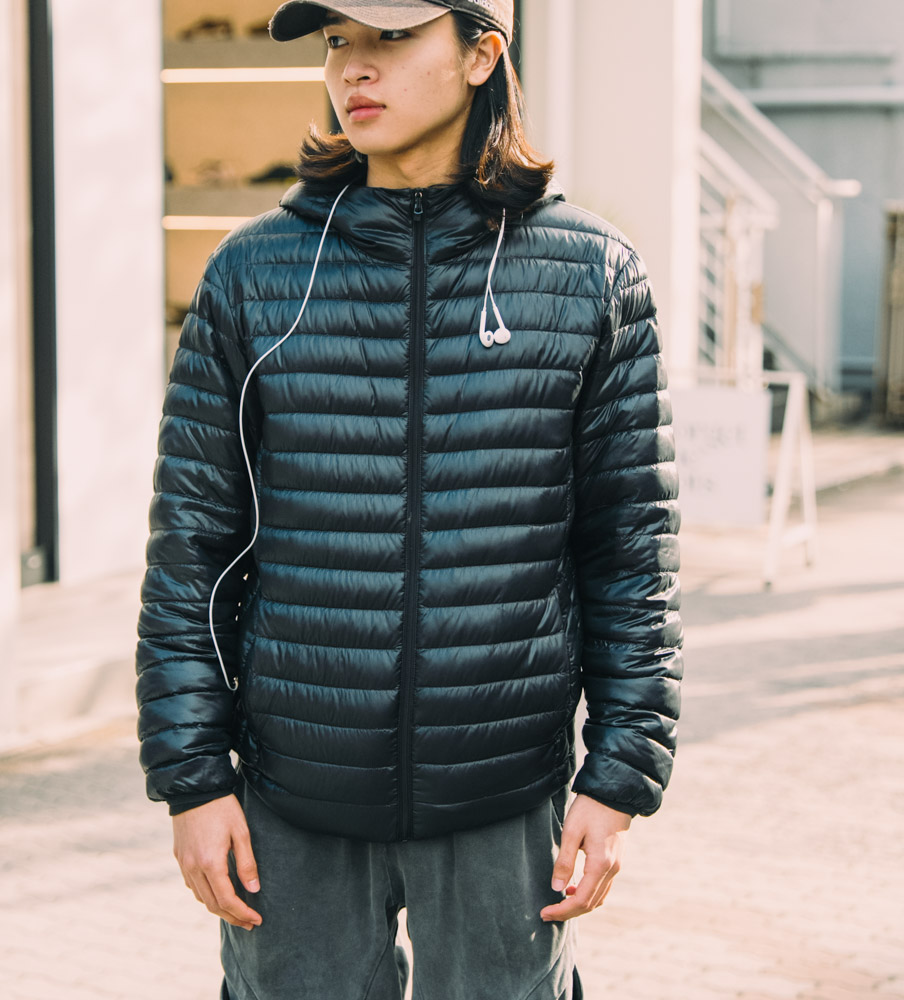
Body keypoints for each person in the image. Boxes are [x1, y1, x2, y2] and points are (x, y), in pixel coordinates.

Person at [135, 1, 684, 997]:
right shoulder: (254, 273)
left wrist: (619, 776)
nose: (353, 68)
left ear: (481, 54)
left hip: (501, 789)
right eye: (337, 42)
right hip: (291, 792)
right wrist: (192, 779)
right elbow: (192, 551)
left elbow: (629, 552)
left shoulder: (591, 274)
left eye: (389, 37)